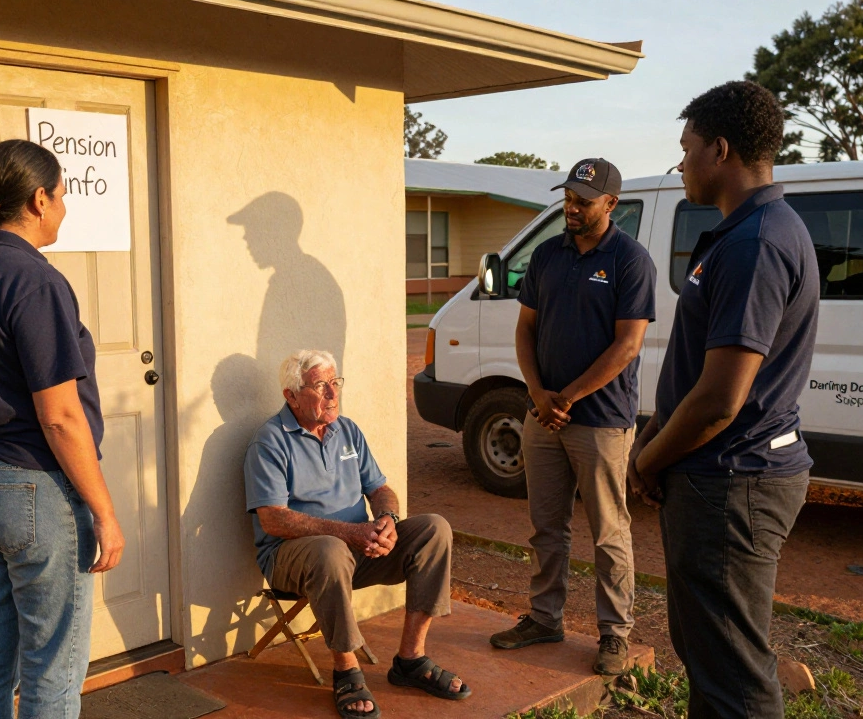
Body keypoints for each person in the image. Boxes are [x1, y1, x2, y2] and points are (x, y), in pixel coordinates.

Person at [628, 81, 820, 718]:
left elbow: (718, 401)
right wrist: (656, 444)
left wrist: (649, 459)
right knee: (714, 655)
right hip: (722, 476)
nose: (680, 164)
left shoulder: (755, 243)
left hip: (734, 481)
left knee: (732, 674)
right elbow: (697, 383)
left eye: (686, 149)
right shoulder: (750, 232)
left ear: (721, 148)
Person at [0, 139, 125, 718]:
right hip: (30, 484)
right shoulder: (34, 281)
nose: (65, 208)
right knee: (54, 665)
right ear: (39, 200)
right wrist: (104, 512)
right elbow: (60, 416)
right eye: (62, 197)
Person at [489, 158, 657, 677]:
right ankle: (544, 618)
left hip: (601, 420)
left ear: (611, 204)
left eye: (583, 201)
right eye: (569, 198)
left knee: (608, 531)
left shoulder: (630, 261)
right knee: (546, 526)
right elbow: (525, 331)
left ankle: (614, 634)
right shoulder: (547, 255)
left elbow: (627, 345)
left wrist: (567, 398)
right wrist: (539, 395)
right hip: (543, 415)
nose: (572, 208)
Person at [245, 349, 468, 719]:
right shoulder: (269, 441)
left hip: (357, 549)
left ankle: (411, 660)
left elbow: (380, 488)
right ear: (292, 396)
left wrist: (387, 520)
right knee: (329, 550)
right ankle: (347, 670)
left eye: (335, 383)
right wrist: (350, 533)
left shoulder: (346, 430)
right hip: (294, 558)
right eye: (320, 386)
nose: (333, 394)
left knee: (434, 528)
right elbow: (273, 520)